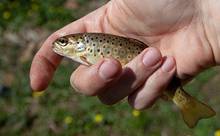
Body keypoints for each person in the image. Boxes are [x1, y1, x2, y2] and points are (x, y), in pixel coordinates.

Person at [30, 0, 220, 110]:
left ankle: (186, 103)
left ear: (80, 45)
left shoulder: (85, 52)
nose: (59, 45)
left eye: (63, 43)